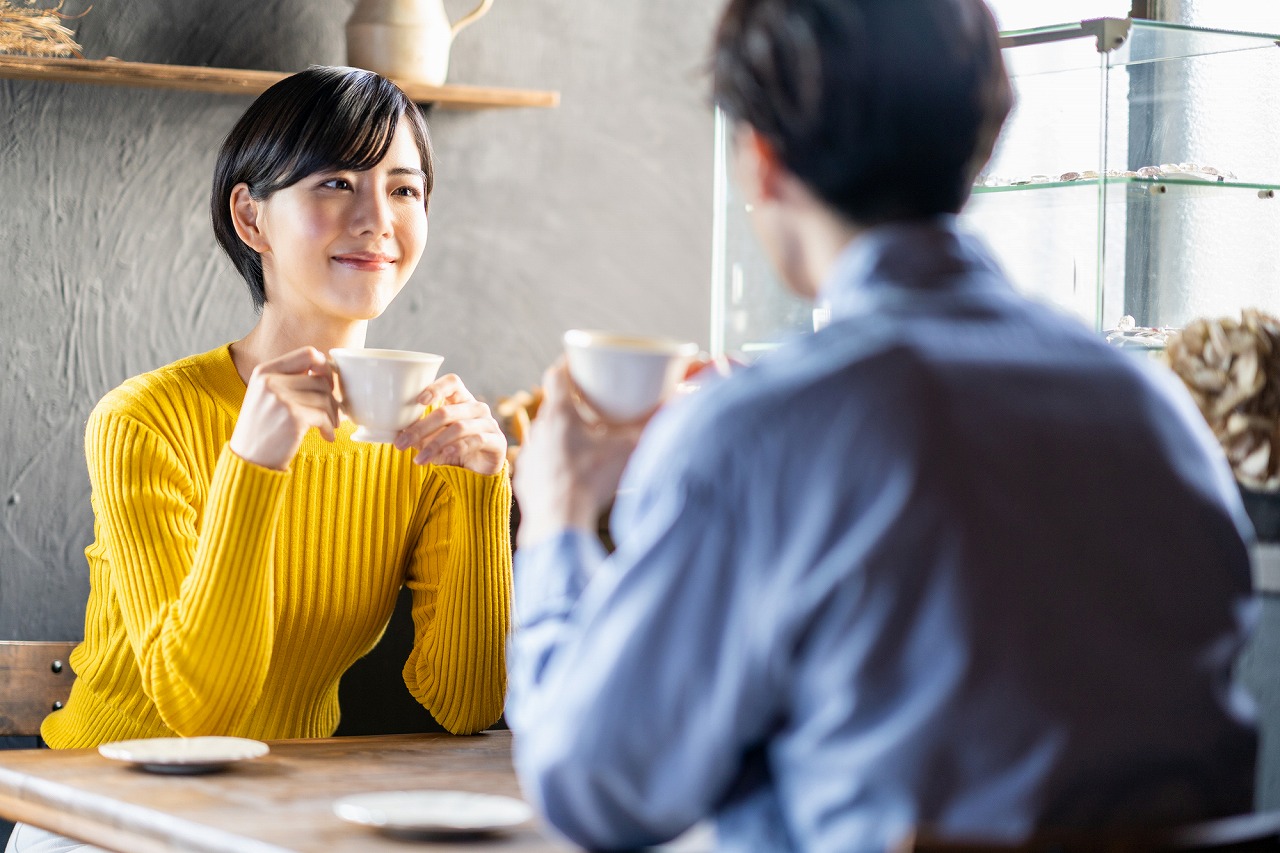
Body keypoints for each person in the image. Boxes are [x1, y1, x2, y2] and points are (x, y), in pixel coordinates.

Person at [504, 1, 1258, 851]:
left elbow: (597, 787)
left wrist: (560, 520)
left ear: (762, 159)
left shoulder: (757, 435)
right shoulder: (1155, 411)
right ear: (983, 140)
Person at [8, 66, 512, 853]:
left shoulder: (429, 438)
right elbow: (200, 710)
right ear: (251, 216)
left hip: (287, 813)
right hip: (100, 812)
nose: (377, 218)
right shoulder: (144, 419)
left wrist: (484, 489)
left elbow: (465, 703)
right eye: (337, 181)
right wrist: (253, 462)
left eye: (405, 190)